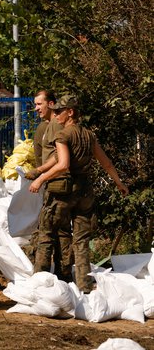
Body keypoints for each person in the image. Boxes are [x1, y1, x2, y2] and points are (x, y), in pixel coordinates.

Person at [29, 95, 128, 292]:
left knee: (46, 235)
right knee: (81, 241)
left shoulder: (63, 135)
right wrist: (119, 183)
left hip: (63, 192)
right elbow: (106, 162)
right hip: (85, 193)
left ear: (71, 112)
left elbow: (63, 164)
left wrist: (40, 179)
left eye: (59, 111)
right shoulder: (89, 136)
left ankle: (38, 285)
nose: (55, 115)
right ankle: (85, 286)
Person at [24, 90, 70, 280]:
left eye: (39, 104)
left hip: (58, 184)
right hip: (51, 183)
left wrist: (40, 173)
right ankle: (62, 275)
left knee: (48, 232)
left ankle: (43, 277)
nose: (36, 109)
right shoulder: (46, 126)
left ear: (51, 104)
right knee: (58, 232)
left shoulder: (57, 126)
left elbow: (58, 157)